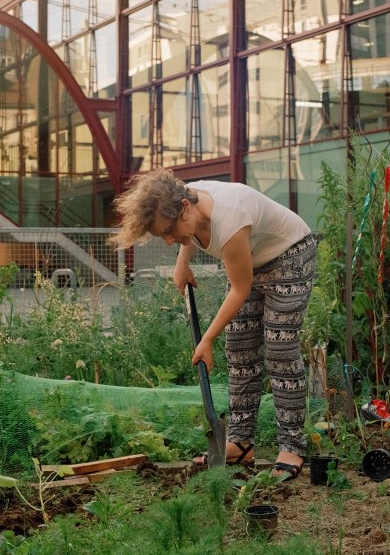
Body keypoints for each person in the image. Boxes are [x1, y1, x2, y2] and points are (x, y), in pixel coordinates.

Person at [110, 167, 317, 479]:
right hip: (251, 258)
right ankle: (240, 442)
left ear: (184, 208)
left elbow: (239, 288)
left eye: (168, 230)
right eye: (161, 235)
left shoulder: (230, 219)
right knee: (239, 351)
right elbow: (190, 233)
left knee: (279, 350)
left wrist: (205, 339)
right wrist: (182, 262)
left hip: (289, 255)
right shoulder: (184, 197)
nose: (168, 240)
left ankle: (291, 446)